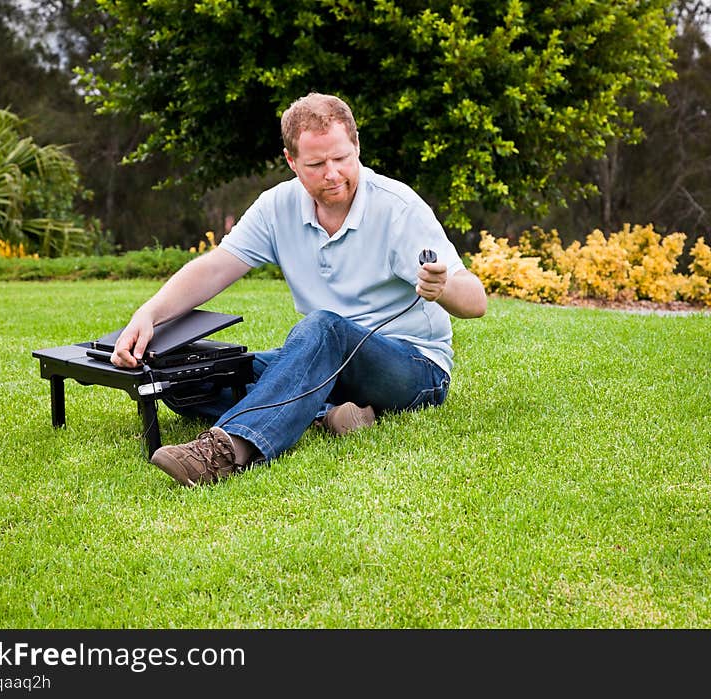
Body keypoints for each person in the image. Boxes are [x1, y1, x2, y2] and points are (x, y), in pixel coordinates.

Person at [111, 92, 487, 487]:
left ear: (357, 146)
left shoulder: (398, 208)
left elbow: (475, 301)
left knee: (324, 327)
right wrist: (149, 313)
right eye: (316, 164)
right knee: (188, 377)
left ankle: (224, 450)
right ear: (292, 162)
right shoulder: (277, 207)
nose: (332, 174)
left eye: (342, 158)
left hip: (412, 367)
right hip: (325, 364)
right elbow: (214, 267)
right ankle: (329, 413)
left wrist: (442, 286)